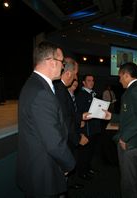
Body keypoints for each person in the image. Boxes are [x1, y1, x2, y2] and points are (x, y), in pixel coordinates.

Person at [16, 41, 89, 198]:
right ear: (51, 62)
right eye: (61, 62)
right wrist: (69, 164)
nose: (63, 66)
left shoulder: (34, 84)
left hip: (37, 169)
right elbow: (53, 142)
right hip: (43, 173)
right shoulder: (41, 91)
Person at [103, 62, 137, 198]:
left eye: (120, 76)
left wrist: (124, 137)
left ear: (126, 75)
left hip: (131, 144)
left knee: (129, 184)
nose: (119, 80)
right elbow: (129, 117)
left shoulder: (136, 90)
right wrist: (111, 116)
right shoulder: (134, 90)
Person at [53, 57, 88, 190]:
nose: (75, 78)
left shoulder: (61, 88)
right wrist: (78, 138)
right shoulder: (60, 90)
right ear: (68, 73)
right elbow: (65, 120)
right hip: (63, 140)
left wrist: (80, 117)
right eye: (75, 74)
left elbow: (69, 114)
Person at [75, 74, 102, 180]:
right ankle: (82, 172)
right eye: (89, 80)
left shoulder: (93, 94)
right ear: (84, 83)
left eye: (93, 80)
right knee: (84, 152)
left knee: (91, 151)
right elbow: (79, 112)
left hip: (94, 127)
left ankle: (88, 168)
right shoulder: (81, 95)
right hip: (86, 128)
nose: (91, 82)